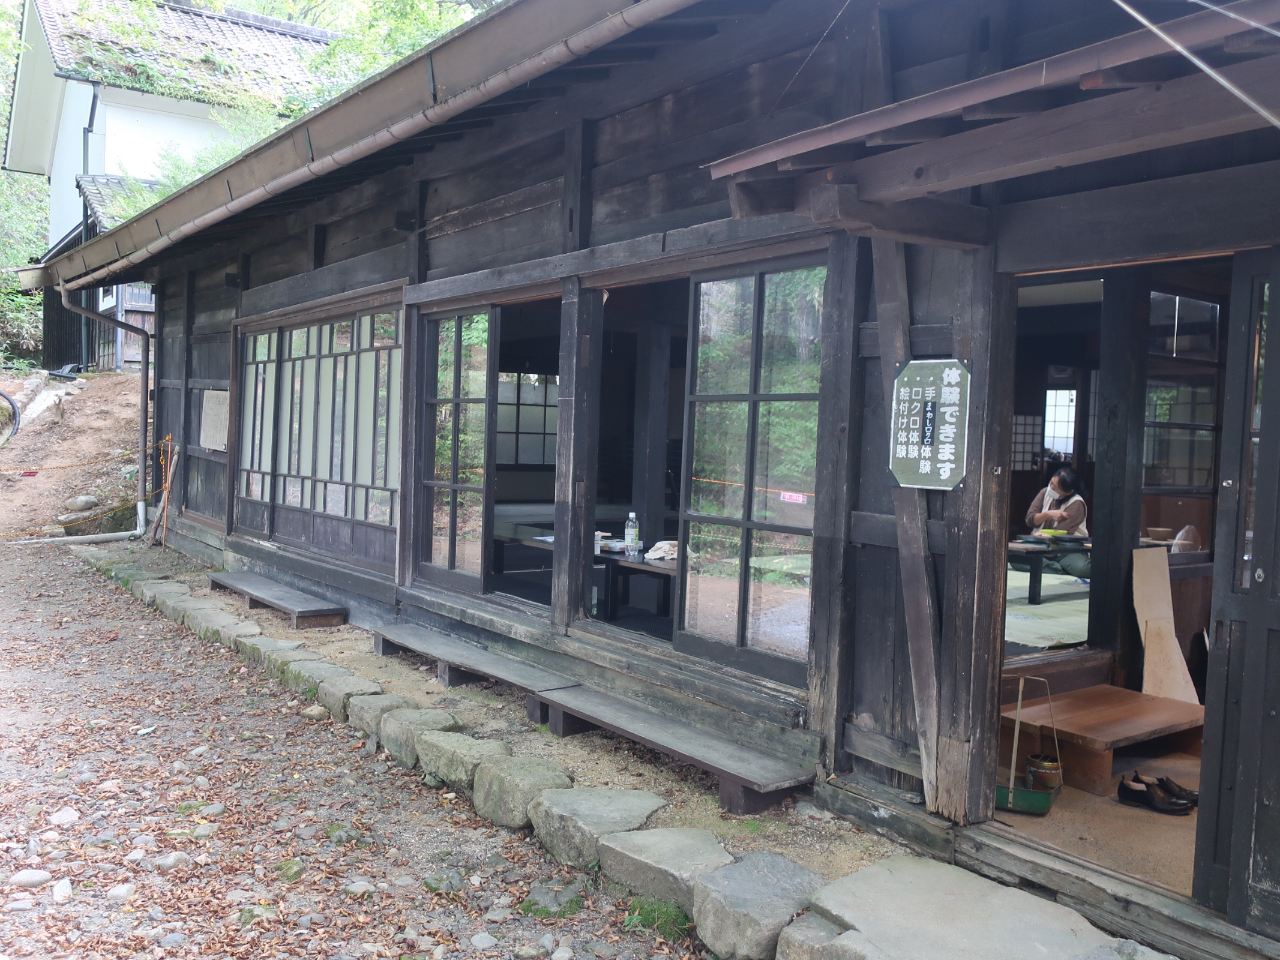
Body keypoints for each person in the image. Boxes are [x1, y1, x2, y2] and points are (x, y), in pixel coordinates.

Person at [1026, 467, 1091, 579]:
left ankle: (1051, 567)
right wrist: (1048, 514)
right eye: (1051, 483)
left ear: (1068, 492)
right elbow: (1030, 520)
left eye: (1056, 488)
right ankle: (1060, 569)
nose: (1051, 488)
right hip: (1041, 547)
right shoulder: (1044, 492)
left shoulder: (1076, 503)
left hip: (1066, 551)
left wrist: (1045, 536)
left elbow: (1060, 533)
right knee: (1015, 559)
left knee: (1083, 568)